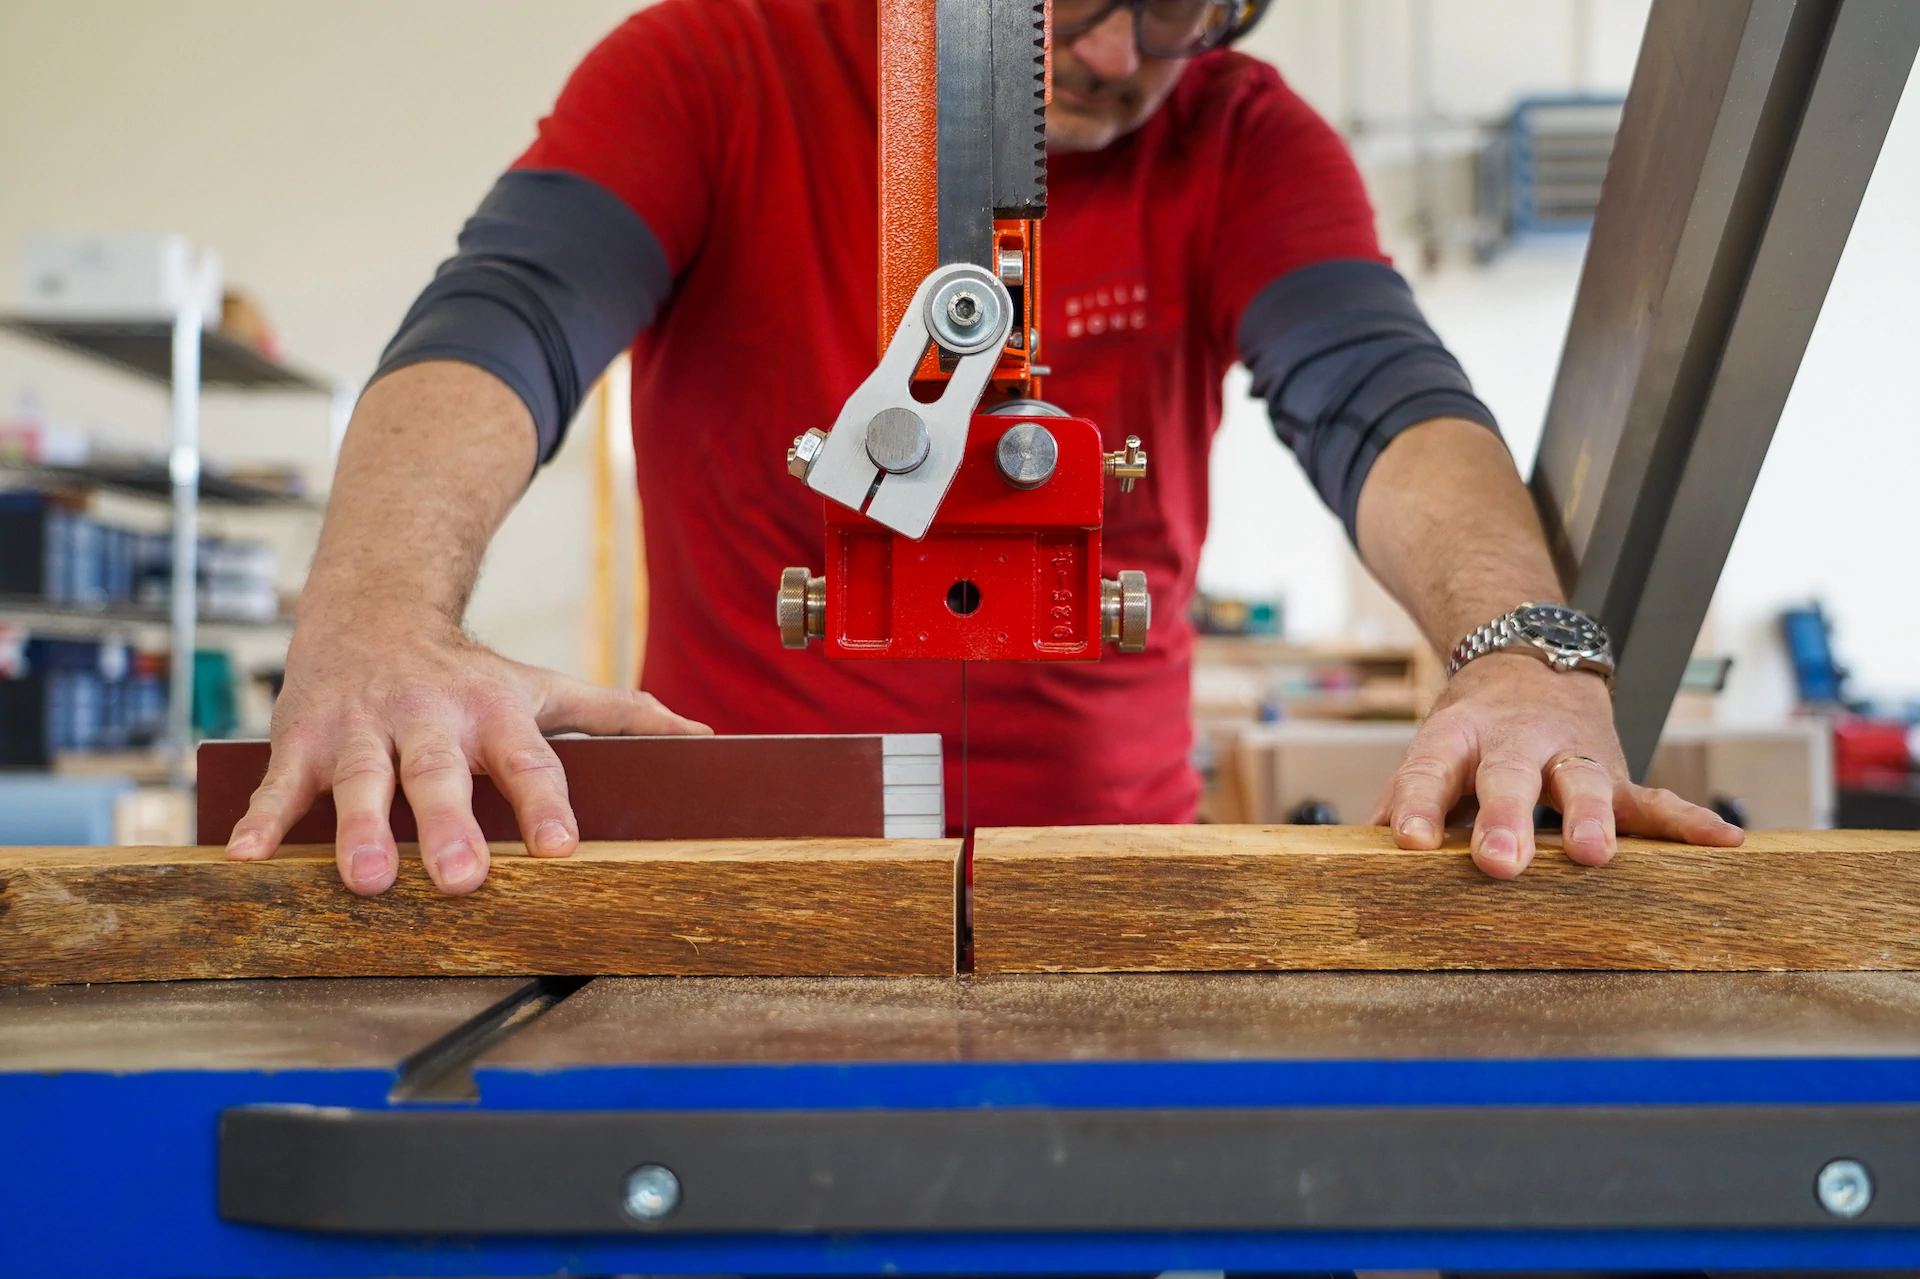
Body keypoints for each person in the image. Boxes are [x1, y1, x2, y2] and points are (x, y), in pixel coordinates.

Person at [224, 0, 1743, 897]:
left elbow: (1379, 394)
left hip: (1103, 881)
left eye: (1178, 4)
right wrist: (376, 617)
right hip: (752, 874)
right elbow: (508, 322)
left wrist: (1524, 646)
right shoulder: (713, 62)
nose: (1106, 50)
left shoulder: (1241, 137)